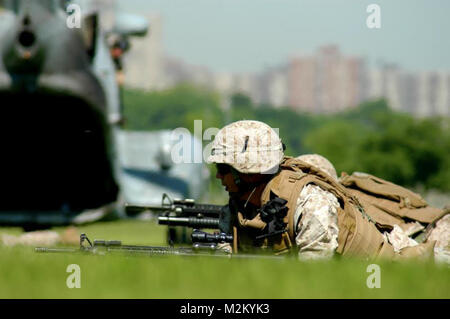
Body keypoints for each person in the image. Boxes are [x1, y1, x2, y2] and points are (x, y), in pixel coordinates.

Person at [208, 120, 449, 261]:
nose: (218, 175)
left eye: (223, 168)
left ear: (248, 171)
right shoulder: (237, 209)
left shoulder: (310, 202)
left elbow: (315, 277)